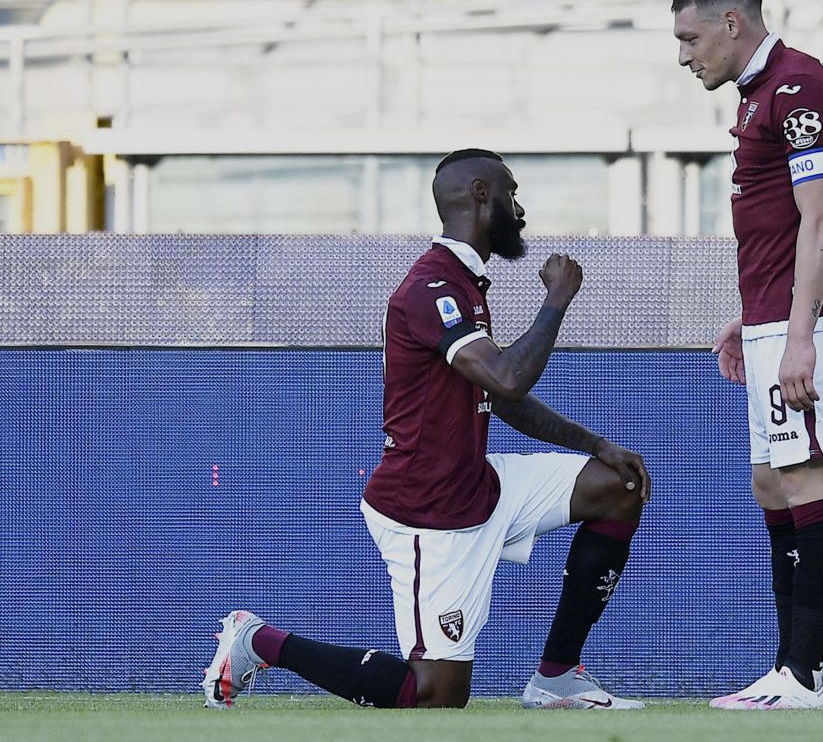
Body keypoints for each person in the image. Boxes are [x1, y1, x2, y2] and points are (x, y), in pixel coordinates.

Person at [202, 148, 650, 711]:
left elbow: (500, 397)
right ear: (482, 195)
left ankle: (557, 678)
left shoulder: (466, 283)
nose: (521, 209)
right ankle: (257, 641)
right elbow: (508, 378)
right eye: (512, 193)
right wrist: (556, 301)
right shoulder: (431, 287)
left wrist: (596, 445)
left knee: (619, 486)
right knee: (435, 694)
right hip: (428, 512)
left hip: (481, 485)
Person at [672, 0, 823, 710]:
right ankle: (792, 669)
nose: (684, 54)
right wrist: (756, 313)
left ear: (733, 23)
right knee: (771, 479)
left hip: (812, 321)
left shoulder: (796, 89)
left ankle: (801, 677)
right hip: (778, 312)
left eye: (690, 37)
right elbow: (785, 221)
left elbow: (821, 218)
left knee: (807, 474)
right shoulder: (767, 90)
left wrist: (799, 336)